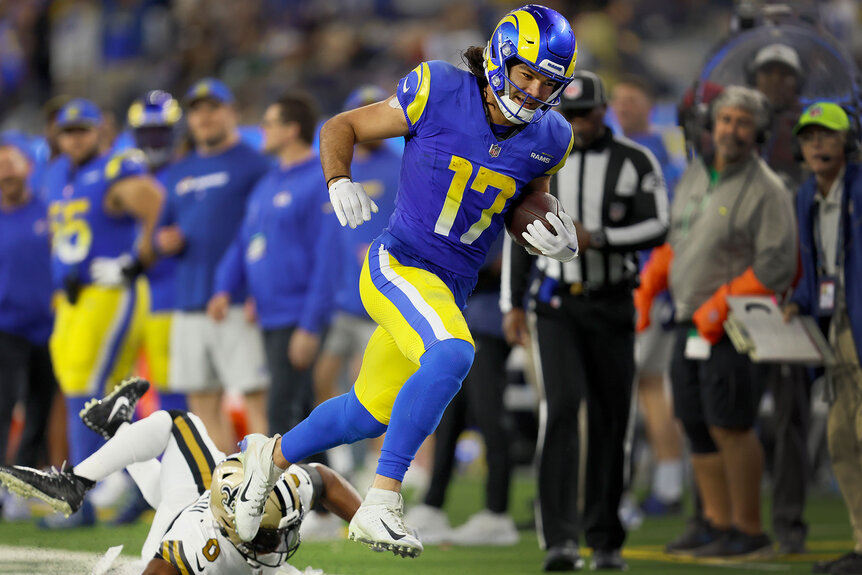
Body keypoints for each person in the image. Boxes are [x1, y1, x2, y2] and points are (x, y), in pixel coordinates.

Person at [233, 4, 580, 560]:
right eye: (526, 74)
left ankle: (265, 462)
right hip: (399, 263)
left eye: (547, 81)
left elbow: (521, 197)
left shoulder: (552, 135)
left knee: (366, 412)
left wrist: (542, 227)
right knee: (452, 354)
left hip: (450, 286)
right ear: (499, 59)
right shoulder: (439, 87)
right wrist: (339, 177)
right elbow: (340, 125)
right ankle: (383, 499)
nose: (535, 90)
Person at [503, 70, 668, 571]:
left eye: (586, 114)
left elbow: (658, 224)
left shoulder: (636, 160)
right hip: (555, 305)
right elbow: (519, 229)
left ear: (603, 112)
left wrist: (598, 237)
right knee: (560, 411)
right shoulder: (541, 152)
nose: (577, 122)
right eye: (568, 114)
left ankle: (605, 537)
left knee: (611, 418)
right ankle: (559, 538)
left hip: (614, 300)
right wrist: (511, 302)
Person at [636, 86, 797, 557]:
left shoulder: (768, 187)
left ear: (759, 132)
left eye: (742, 123)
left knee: (732, 424)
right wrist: (649, 286)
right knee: (696, 424)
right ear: (713, 125)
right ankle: (715, 522)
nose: (732, 130)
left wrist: (723, 301)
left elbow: (776, 263)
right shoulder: (695, 176)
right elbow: (676, 241)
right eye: (725, 120)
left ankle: (749, 530)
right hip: (687, 321)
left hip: (735, 326)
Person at [0, 377, 361, 574]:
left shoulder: (283, 494)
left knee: (177, 441)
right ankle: (78, 481)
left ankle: (112, 440)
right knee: (178, 423)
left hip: (200, 500)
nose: (281, 541)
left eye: (281, 530)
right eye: (269, 537)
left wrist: (364, 521)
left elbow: (324, 480)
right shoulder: (194, 548)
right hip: (180, 535)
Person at [42, 98, 165, 526]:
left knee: (84, 391)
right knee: (99, 399)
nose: (74, 138)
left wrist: (134, 260)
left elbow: (156, 202)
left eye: (83, 130)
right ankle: (144, 488)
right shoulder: (58, 172)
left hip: (109, 293)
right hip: (73, 297)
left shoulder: (116, 167)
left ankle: (80, 499)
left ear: (101, 131)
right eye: (67, 131)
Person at [209, 92, 340, 444]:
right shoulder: (267, 183)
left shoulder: (319, 180)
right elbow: (244, 242)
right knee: (298, 413)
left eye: (269, 123)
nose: (262, 129)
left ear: (291, 130)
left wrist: (310, 325)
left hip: (297, 316)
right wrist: (223, 287)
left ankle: (295, 496)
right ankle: (319, 494)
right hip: (268, 316)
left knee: (283, 414)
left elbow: (327, 258)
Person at [157, 79, 271, 453]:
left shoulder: (255, 164)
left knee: (256, 398)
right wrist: (165, 240)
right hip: (189, 300)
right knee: (202, 402)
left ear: (232, 112)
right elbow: (164, 230)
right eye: (197, 110)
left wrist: (258, 291)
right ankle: (223, 489)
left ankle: (272, 487)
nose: (204, 117)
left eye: (213, 108)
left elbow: (267, 232)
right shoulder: (180, 170)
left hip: (238, 301)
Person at [782, 102, 862, 574]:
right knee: (841, 442)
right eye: (809, 136)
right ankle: (859, 543)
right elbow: (816, 268)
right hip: (833, 331)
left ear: (848, 143)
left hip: (858, 326)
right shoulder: (807, 194)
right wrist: (798, 299)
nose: (816, 144)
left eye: (827, 136)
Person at [407, 236, 520, 547]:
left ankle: (497, 513)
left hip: (489, 317)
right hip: (460, 319)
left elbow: (494, 261)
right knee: (449, 415)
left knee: (488, 412)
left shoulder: (503, 201)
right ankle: (433, 504)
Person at [610, 73, 684, 517]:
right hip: (649, 286)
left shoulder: (648, 155)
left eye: (632, 96)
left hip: (646, 287)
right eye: (618, 98)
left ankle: (630, 489)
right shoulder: (653, 153)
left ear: (650, 104)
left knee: (635, 387)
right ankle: (668, 482)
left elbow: (664, 230)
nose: (622, 105)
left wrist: (655, 288)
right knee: (652, 388)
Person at [748, 42, 811, 554]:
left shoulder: (813, 143)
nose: (775, 82)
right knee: (725, 410)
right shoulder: (734, 140)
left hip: (794, 293)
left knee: (791, 414)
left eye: (782, 74)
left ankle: (788, 521)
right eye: (766, 73)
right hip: (740, 292)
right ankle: (728, 520)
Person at [0, 141, 57, 484]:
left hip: (49, 325)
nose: (5, 170)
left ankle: (22, 479)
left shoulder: (50, 212)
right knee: (2, 406)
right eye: (0, 164)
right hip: (6, 326)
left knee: (41, 407)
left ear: (28, 169)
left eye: (11, 162)